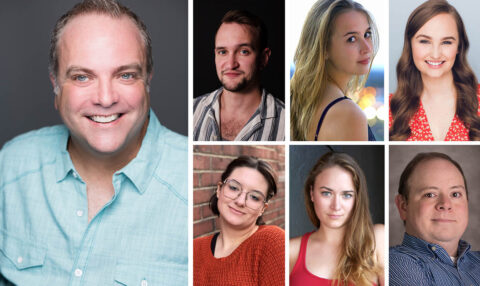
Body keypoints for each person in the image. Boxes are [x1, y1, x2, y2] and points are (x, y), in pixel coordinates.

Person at [0, 0, 187, 285]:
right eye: (82, 77)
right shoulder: (11, 168)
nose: (105, 98)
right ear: (55, 85)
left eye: (125, 75)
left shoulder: (193, 185)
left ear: (147, 80)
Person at [389, 0, 480, 141]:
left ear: (459, 47)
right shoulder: (392, 108)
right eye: (425, 41)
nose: (436, 54)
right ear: (410, 44)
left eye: (446, 42)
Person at [290, 152, 384, 286]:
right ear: (312, 194)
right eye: (327, 193)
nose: (336, 206)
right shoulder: (290, 251)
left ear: (357, 198)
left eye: (346, 195)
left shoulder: (377, 239)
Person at [290, 0, 378, 141]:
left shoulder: (298, 99)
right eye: (352, 39)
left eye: (367, 34)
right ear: (323, 48)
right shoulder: (348, 114)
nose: (367, 48)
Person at [193, 10, 285, 141]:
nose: (231, 64)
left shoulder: (287, 123)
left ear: (263, 58)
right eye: (223, 52)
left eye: (243, 51)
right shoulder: (193, 110)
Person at [390, 152, 480, 285]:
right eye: (430, 194)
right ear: (403, 206)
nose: (445, 204)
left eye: (455, 194)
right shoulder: (396, 264)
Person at [194, 156, 285, 285]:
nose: (240, 201)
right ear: (219, 190)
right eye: (234, 188)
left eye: (254, 197)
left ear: (262, 209)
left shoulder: (273, 243)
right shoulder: (195, 248)